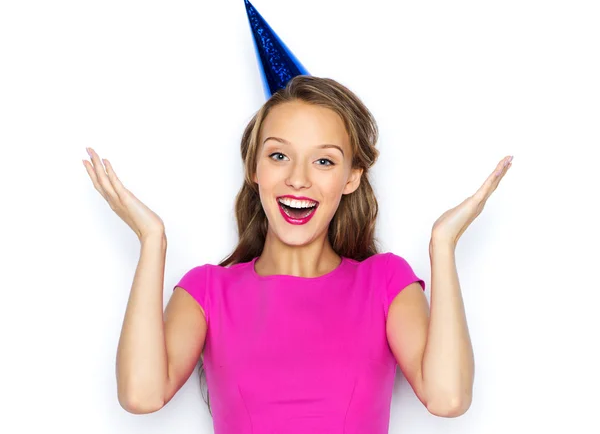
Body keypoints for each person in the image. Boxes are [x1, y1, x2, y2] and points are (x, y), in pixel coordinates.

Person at [83, 75, 512, 433]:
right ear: (255, 169)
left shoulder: (383, 282)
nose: (298, 179)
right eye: (279, 155)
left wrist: (443, 244)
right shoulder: (208, 290)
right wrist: (151, 238)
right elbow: (141, 395)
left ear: (351, 178)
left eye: (323, 162)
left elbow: (448, 397)